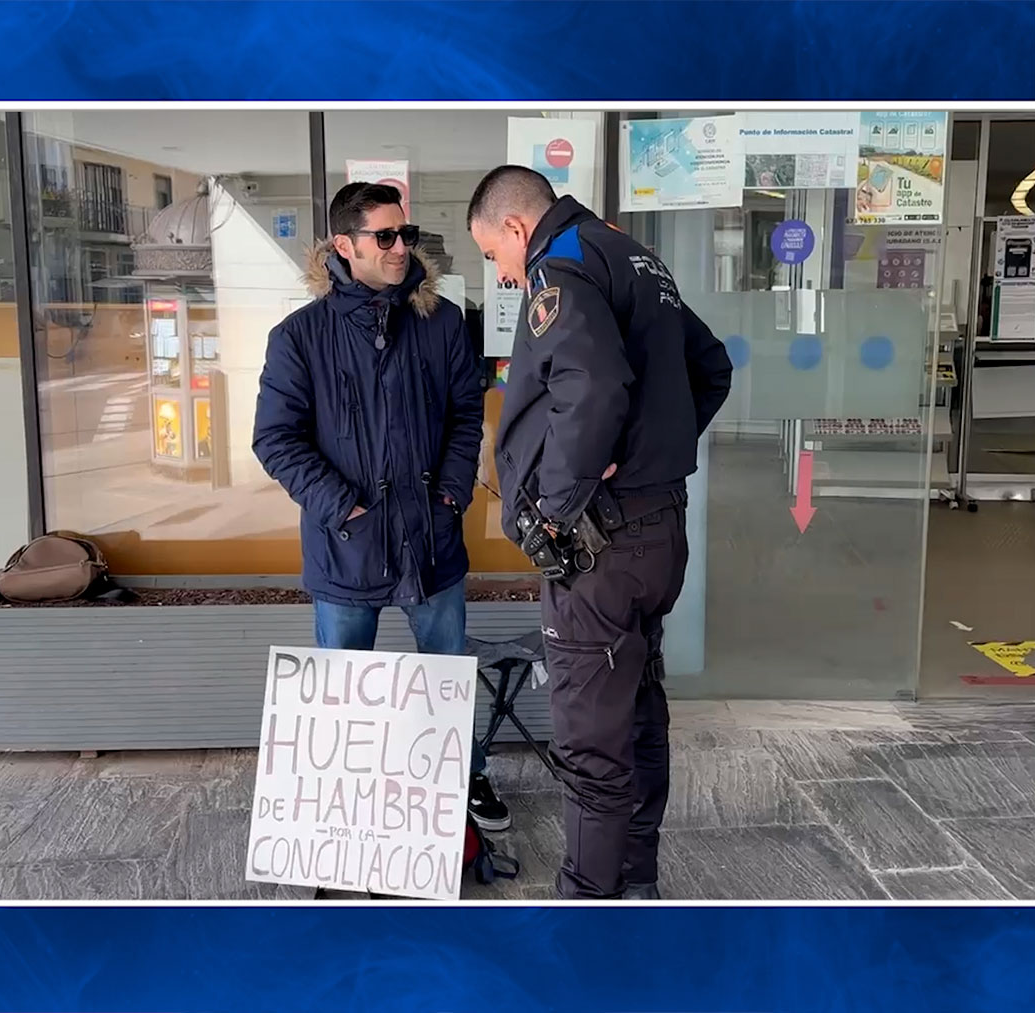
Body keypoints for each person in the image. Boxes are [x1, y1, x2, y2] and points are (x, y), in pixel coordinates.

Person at [468, 166, 732, 900]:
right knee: (639, 709)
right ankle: (637, 881)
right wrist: (648, 453)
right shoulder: (631, 254)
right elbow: (708, 368)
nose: (502, 273)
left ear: (517, 229)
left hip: (600, 546)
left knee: (590, 742)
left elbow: (592, 384)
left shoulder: (562, 266)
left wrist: (557, 507)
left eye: (494, 256)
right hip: (656, 532)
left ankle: (588, 905)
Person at [255, 182, 508, 832]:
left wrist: (451, 493)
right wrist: (343, 505)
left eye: (407, 234)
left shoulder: (442, 321)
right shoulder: (299, 337)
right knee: (342, 695)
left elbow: (463, 414)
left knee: (446, 681)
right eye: (386, 236)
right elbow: (274, 438)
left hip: (430, 542)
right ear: (346, 245)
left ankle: (464, 778)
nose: (402, 247)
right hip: (346, 548)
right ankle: (345, 819)